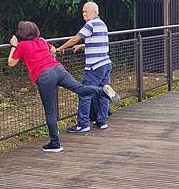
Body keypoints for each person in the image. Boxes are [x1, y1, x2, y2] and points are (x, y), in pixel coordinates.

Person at [7, 21, 121, 152]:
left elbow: (11, 63)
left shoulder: (22, 45)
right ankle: (103, 91)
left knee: (50, 111)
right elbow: (53, 50)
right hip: (58, 69)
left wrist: (13, 46)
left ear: (21, 33)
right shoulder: (42, 40)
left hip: (45, 76)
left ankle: (55, 144)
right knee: (80, 88)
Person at [56, 2, 114, 132]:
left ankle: (83, 124)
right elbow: (98, 41)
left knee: (84, 93)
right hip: (105, 63)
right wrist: (82, 46)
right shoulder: (102, 24)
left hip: (94, 67)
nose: (84, 14)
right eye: (83, 12)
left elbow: (75, 39)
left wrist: (60, 48)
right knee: (103, 92)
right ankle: (101, 121)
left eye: (86, 12)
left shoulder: (90, 24)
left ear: (94, 12)